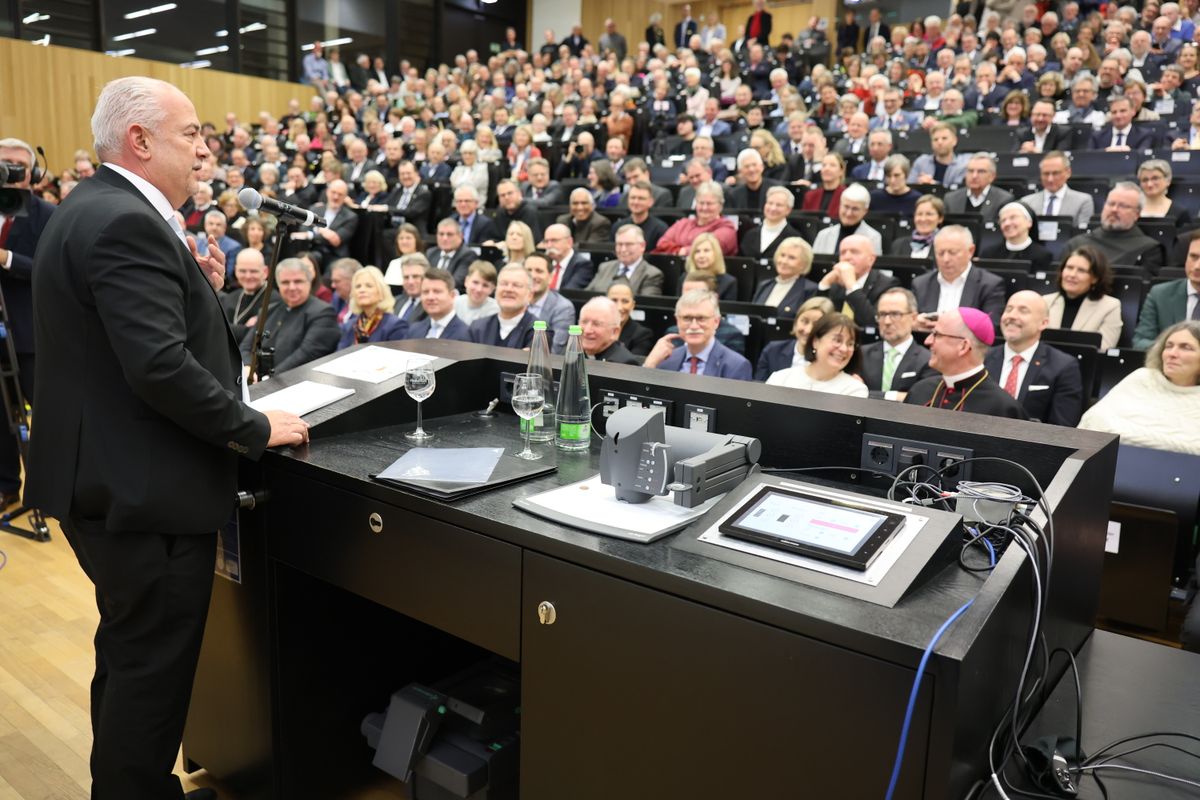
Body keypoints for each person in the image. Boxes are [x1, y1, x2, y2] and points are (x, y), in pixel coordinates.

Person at [27, 76, 309, 800]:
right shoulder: (127, 223)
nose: (206, 150)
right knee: (151, 675)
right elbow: (157, 366)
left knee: (130, 658)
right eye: (192, 134)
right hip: (142, 493)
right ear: (140, 140)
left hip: (105, 480)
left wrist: (196, 286)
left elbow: (122, 339)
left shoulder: (89, 206)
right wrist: (253, 428)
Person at [0, 137, 53, 508]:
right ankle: (6, 486)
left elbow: (50, 271)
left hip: (31, 335)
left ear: (31, 174)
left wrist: (6, 259)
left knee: (49, 418)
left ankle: (53, 489)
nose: (7, 174)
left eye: (15, 167)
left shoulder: (46, 214)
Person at [1080, 322, 1200, 454]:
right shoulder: (1142, 378)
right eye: (1169, 346)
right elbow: (1093, 422)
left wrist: (1127, 437)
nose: (1172, 353)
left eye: (1186, 348)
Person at [903, 308, 1028, 418]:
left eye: (936, 334)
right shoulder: (920, 390)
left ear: (963, 346)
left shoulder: (1003, 409)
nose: (928, 341)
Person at [984, 290, 1084, 425]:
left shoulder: (1063, 366)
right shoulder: (982, 359)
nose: (1012, 316)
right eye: (1009, 309)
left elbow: (1062, 428)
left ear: (1043, 323)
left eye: (1023, 311)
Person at [242, 257, 341, 371]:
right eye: (285, 282)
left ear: (309, 282)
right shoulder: (268, 311)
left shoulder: (323, 313)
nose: (292, 287)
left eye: (298, 281)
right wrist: (248, 368)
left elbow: (307, 354)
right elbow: (246, 346)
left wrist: (270, 378)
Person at [643, 289, 753, 380]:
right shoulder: (665, 360)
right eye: (687, 318)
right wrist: (649, 365)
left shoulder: (736, 366)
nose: (694, 326)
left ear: (716, 322)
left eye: (701, 318)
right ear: (677, 321)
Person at [912, 226, 1007, 330]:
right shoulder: (921, 284)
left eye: (953, 252)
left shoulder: (989, 285)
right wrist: (915, 325)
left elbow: (990, 327)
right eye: (940, 253)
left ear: (970, 251)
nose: (946, 259)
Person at [1064, 184, 1166, 272]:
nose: (1114, 209)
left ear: (1137, 214)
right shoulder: (1076, 244)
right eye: (1111, 204)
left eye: (1123, 206)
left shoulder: (1148, 248)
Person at [765, 312, 867, 397]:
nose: (844, 349)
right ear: (815, 341)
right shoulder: (780, 379)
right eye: (837, 340)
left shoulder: (855, 390)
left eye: (850, 344)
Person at [860, 287, 936, 400]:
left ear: (913, 318)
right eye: (882, 314)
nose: (887, 322)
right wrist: (898, 396)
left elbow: (921, 399)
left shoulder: (928, 360)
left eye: (895, 314)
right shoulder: (861, 354)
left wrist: (867, 394)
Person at [1043, 246, 1123, 350]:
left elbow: (1104, 348)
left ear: (1095, 278)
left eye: (1081, 270)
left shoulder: (1110, 307)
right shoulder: (1045, 302)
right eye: (1069, 268)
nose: (1072, 275)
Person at [1133, 232, 1200, 348]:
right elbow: (1140, 342)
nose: (1197, 266)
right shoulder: (1160, 294)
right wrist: (1174, 350)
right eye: (1193, 257)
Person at [816, 233, 901, 323]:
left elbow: (873, 321)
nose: (847, 257)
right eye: (843, 253)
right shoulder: (836, 283)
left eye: (854, 252)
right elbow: (817, 320)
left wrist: (851, 286)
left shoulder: (887, 285)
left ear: (871, 260)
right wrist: (824, 284)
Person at [754, 297, 835, 380]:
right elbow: (759, 385)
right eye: (805, 321)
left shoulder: (832, 361)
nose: (808, 330)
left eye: (816, 324)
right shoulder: (773, 350)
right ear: (796, 322)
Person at [653, 181, 739, 255]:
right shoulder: (683, 223)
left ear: (720, 206)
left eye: (709, 203)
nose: (704, 208)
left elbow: (708, 249)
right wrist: (681, 250)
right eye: (701, 203)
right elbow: (661, 244)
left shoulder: (727, 228)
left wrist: (680, 250)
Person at [336, 265, 408, 349]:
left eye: (369, 286)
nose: (362, 290)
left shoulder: (395, 325)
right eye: (358, 286)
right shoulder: (349, 326)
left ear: (381, 292)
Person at [468, 264, 538, 348]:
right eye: (504, 284)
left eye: (516, 285)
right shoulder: (477, 328)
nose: (508, 289)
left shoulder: (538, 332)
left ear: (530, 295)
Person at [1020, 151, 1094, 229]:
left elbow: (1083, 233)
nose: (1050, 179)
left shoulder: (1083, 201)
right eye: (1046, 174)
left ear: (1068, 172)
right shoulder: (1027, 202)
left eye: (1055, 173)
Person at [221, 248, 279, 344]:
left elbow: (257, 337)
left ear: (265, 272)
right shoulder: (229, 298)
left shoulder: (274, 300)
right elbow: (218, 329)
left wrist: (229, 328)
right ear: (236, 271)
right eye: (242, 271)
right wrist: (244, 329)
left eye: (253, 271)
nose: (248, 276)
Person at [588, 224, 664, 295]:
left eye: (629, 244)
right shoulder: (604, 267)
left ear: (642, 246)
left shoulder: (651, 274)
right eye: (619, 244)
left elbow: (646, 303)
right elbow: (586, 295)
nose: (623, 249)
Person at [751, 236, 818, 315]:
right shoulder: (765, 285)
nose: (784, 261)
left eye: (792, 258)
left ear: (803, 264)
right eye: (782, 255)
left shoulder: (809, 290)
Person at [979, 202, 1053, 273]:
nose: (1007, 223)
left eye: (1013, 217)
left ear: (1029, 222)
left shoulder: (1042, 256)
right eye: (1003, 220)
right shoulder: (988, 254)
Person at [811, 183, 883, 255]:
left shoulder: (873, 238)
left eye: (855, 209)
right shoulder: (823, 235)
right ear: (840, 206)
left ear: (865, 211)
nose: (849, 213)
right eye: (846, 207)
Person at [942, 154, 1015, 223]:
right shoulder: (951, 199)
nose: (974, 176)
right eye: (970, 171)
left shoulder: (1003, 200)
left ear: (992, 176)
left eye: (981, 171)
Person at [525, 253, 575, 352]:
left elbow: (554, 350)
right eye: (528, 271)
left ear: (551, 277)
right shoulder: (512, 302)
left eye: (539, 271)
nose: (533, 276)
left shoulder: (563, 308)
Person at [407, 267, 472, 341]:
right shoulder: (414, 331)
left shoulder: (466, 335)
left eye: (437, 291)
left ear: (452, 295)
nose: (430, 297)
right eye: (426, 292)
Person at [740, 186, 801, 262]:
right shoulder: (749, 234)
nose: (773, 208)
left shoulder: (794, 238)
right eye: (770, 203)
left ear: (788, 210)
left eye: (779, 205)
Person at [579, 297, 641, 364]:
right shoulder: (573, 353)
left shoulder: (625, 364)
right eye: (584, 322)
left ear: (614, 332)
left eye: (596, 324)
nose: (587, 330)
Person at [612, 180, 669, 251]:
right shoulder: (617, 226)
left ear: (651, 202)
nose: (636, 202)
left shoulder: (660, 229)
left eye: (641, 198)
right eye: (633, 197)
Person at [909, 123, 971, 188]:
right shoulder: (921, 162)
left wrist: (934, 185)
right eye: (935, 139)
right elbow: (909, 186)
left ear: (954, 141)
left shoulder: (963, 165)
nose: (939, 142)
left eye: (944, 138)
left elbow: (958, 190)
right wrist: (918, 184)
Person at [540, 223, 597, 290]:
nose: (549, 246)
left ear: (569, 242)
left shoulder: (582, 265)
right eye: (546, 241)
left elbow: (569, 291)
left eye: (554, 240)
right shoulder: (543, 263)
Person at [1137, 159, 1192, 227]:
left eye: (1155, 178)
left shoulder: (1180, 213)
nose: (1149, 184)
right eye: (1145, 180)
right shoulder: (1131, 209)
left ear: (1168, 180)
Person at [426, 218, 477, 290]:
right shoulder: (431, 253)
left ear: (461, 236)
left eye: (449, 234)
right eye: (441, 234)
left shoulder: (468, 255)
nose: (444, 238)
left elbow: (457, 282)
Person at [607, 281, 656, 357]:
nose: (619, 307)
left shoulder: (642, 335)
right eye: (614, 300)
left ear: (632, 305)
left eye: (625, 301)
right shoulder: (594, 329)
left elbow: (632, 363)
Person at [684, 233, 738, 300]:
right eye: (697, 251)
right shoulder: (684, 278)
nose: (701, 256)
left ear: (716, 254)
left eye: (706, 250)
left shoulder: (728, 282)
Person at [889, 195, 944, 259]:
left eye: (929, 214)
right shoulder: (898, 245)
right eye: (919, 214)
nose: (923, 219)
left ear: (940, 218)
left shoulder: (947, 245)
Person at [388, 253, 430, 324]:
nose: (410, 282)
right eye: (406, 277)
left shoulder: (431, 304)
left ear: (427, 277)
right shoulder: (395, 302)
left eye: (415, 276)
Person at [454, 260, 500, 324]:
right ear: (466, 281)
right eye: (475, 282)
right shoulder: (453, 304)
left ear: (492, 288)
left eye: (485, 285)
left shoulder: (497, 311)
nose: (479, 289)